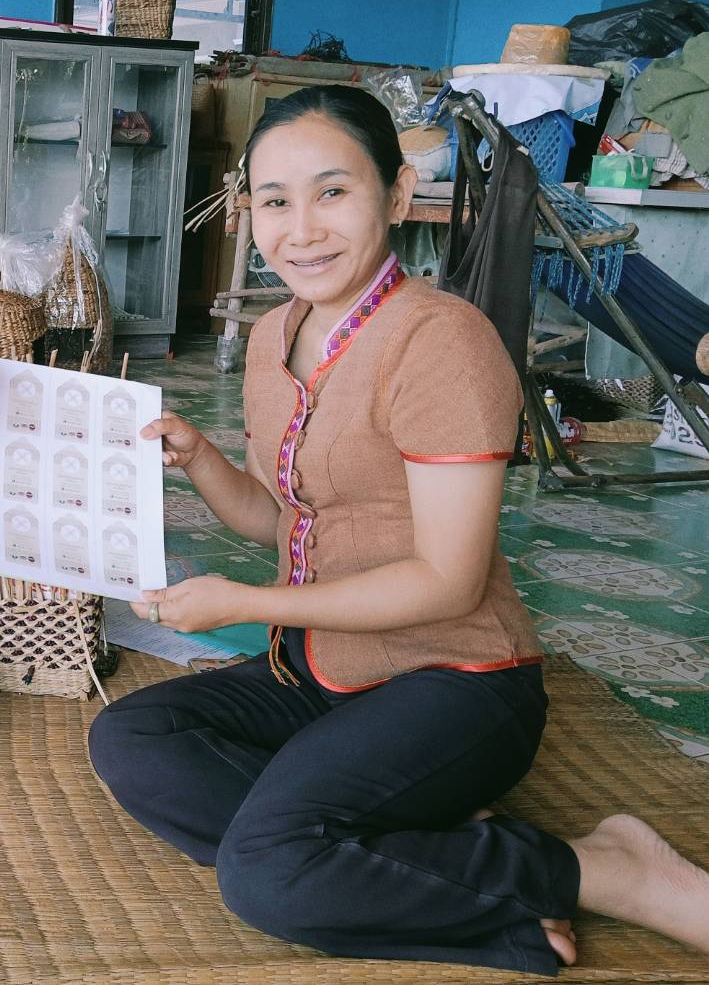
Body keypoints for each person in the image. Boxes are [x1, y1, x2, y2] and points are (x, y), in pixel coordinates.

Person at [88, 84, 709, 974]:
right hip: (317, 669)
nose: (299, 228)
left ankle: (599, 869)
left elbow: (448, 583)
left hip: (452, 679)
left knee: (265, 875)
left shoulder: (441, 340)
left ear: (394, 191)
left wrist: (243, 600)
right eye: (274, 201)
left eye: (330, 192)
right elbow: (281, 520)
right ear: (247, 213)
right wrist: (200, 460)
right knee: (131, 740)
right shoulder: (273, 340)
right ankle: (401, 844)